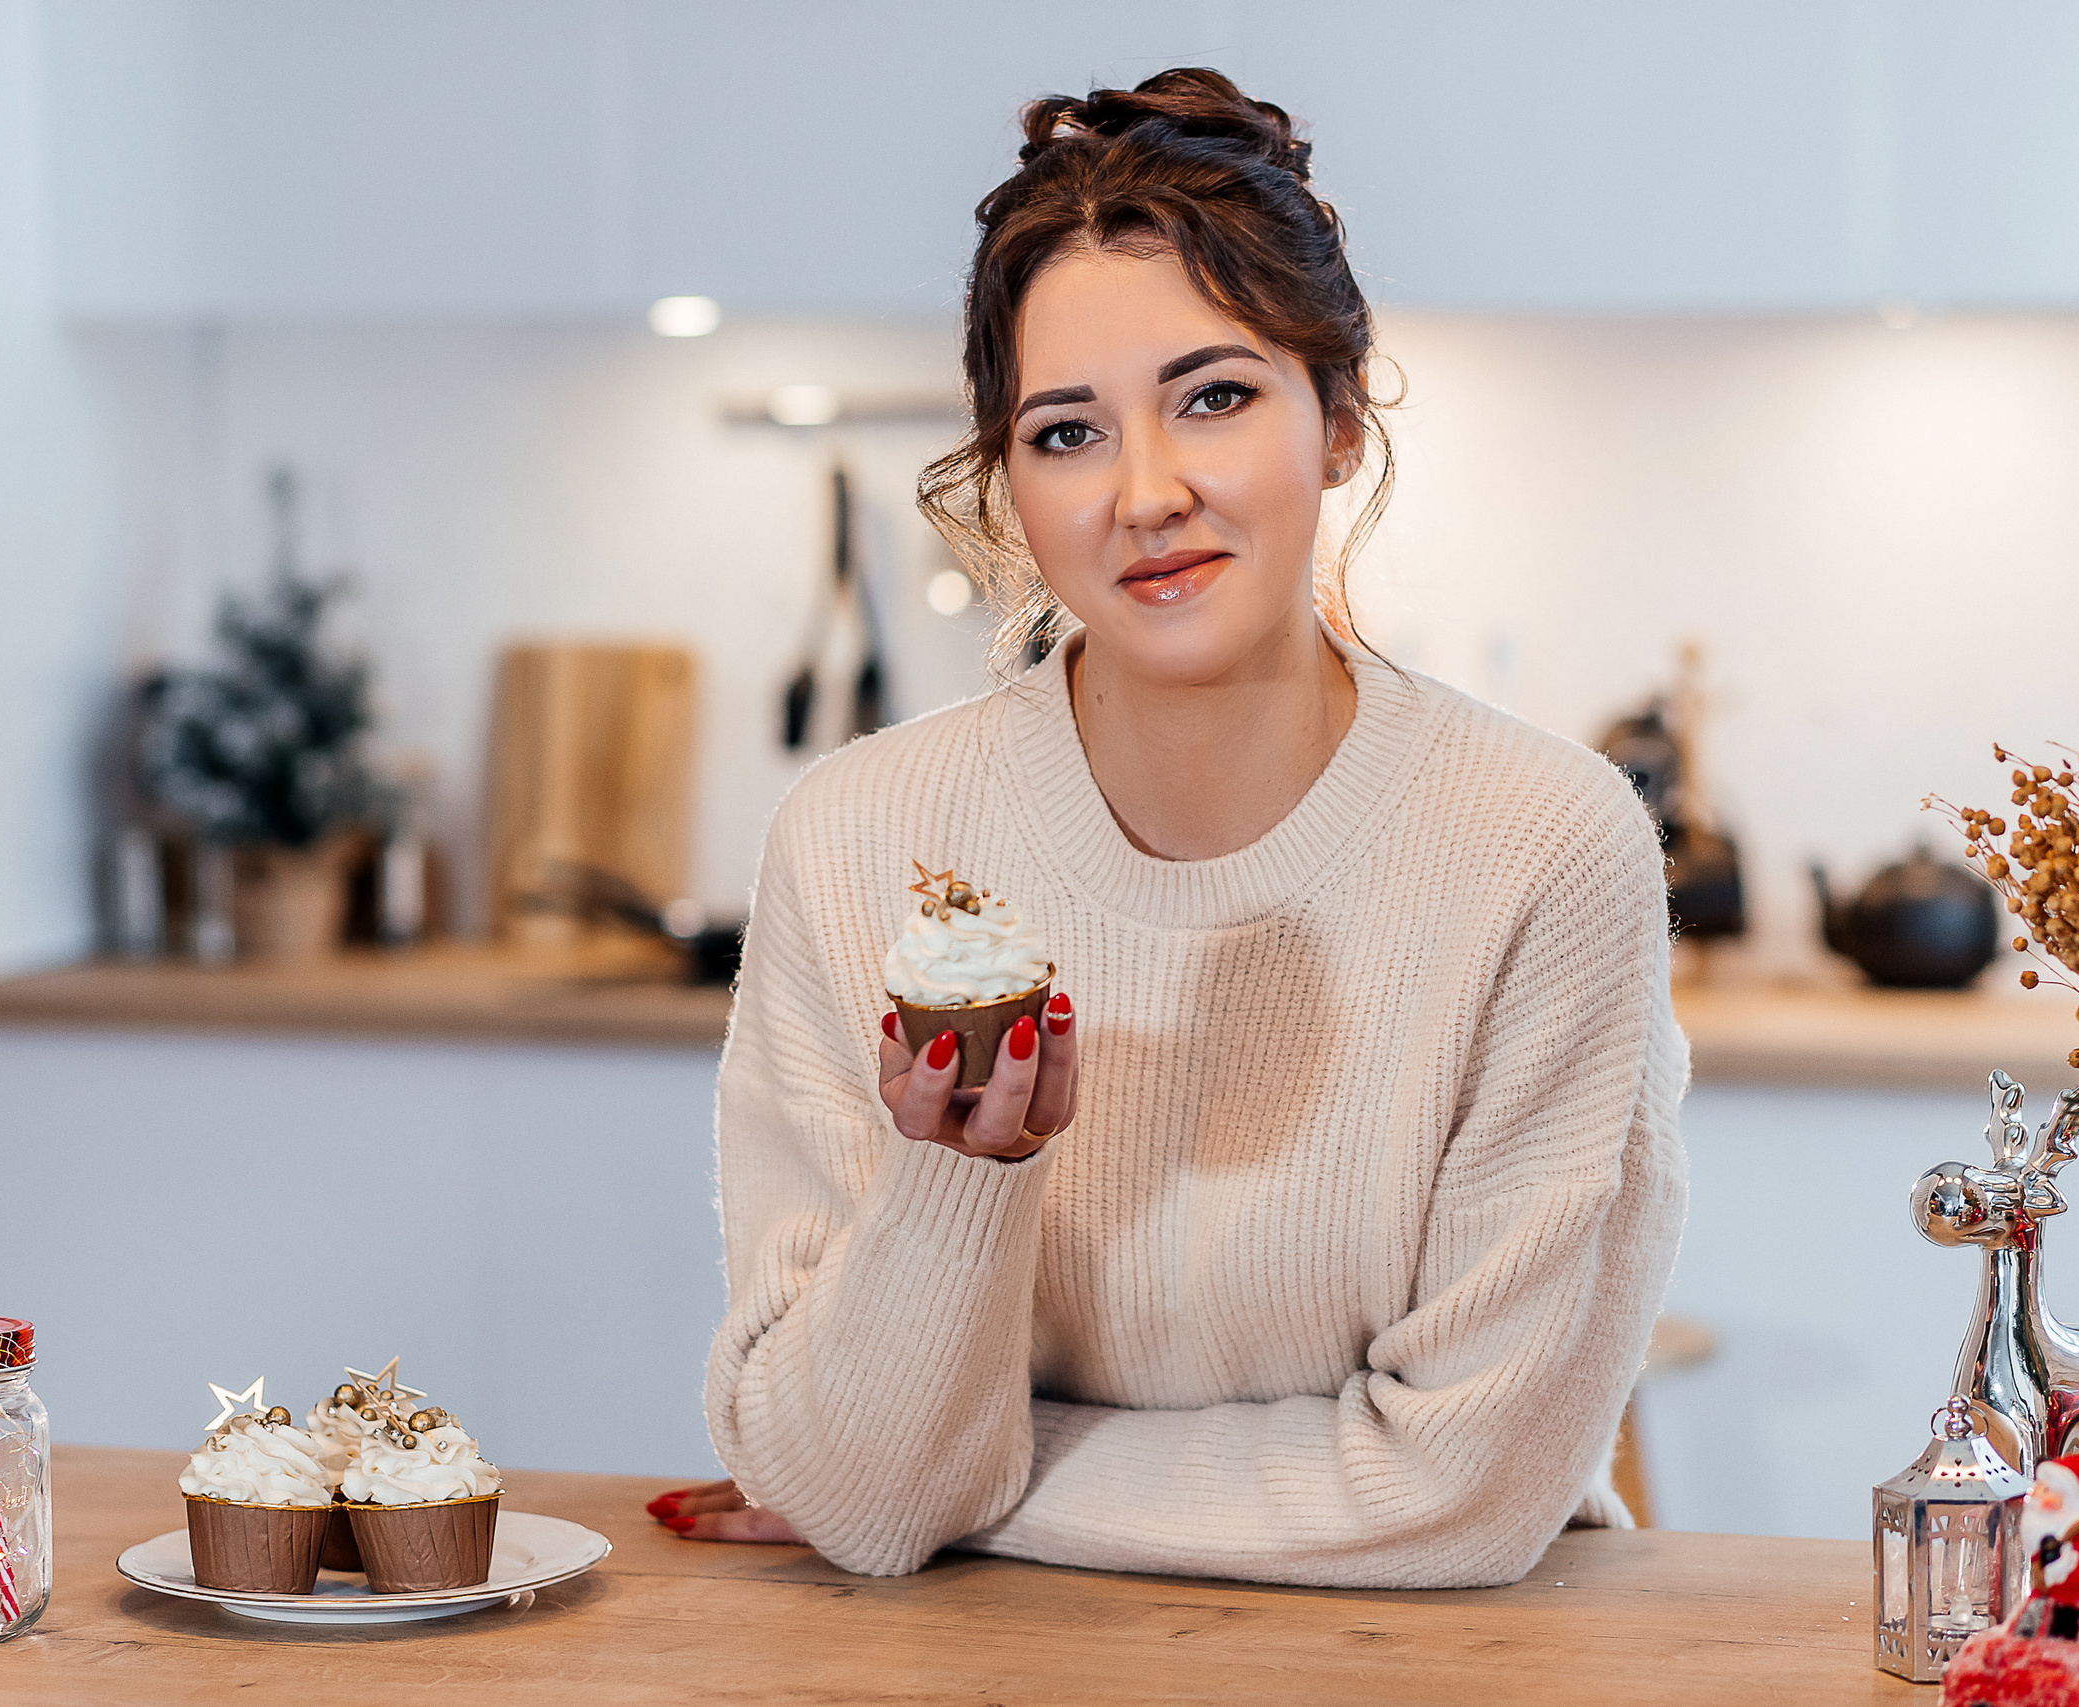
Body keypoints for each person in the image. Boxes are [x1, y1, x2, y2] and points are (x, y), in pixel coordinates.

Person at [646, 67, 1689, 1589]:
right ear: (1007, 479)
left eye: (1214, 398)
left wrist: (978, 1489)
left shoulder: (1544, 848)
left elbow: (1463, 1496)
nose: (1147, 492)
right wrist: (960, 1174)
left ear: (1336, 422)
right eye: (1066, 433)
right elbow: (862, 1507)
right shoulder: (861, 837)